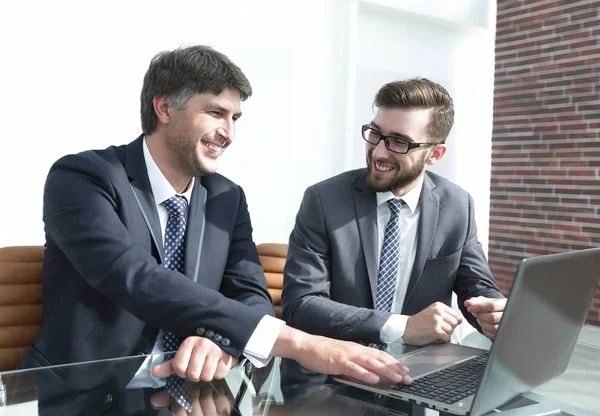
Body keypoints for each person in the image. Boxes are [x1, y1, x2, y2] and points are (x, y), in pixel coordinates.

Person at [17, 45, 410, 392]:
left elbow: (250, 293)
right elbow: (136, 278)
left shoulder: (227, 197)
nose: (229, 133)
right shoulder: (84, 177)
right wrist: (299, 343)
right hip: (86, 396)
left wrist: (222, 340)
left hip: (196, 395)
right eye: (216, 112)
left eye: (235, 117)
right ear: (165, 107)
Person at [282, 78, 507, 349]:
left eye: (399, 142)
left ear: (435, 154)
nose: (378, 152)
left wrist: (493, 312)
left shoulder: (457, 205)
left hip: (420, 369)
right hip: (334, 373)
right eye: (375, 134)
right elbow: (300, 304)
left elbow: (477, 288)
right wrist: (401, 327)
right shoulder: (323, 200)